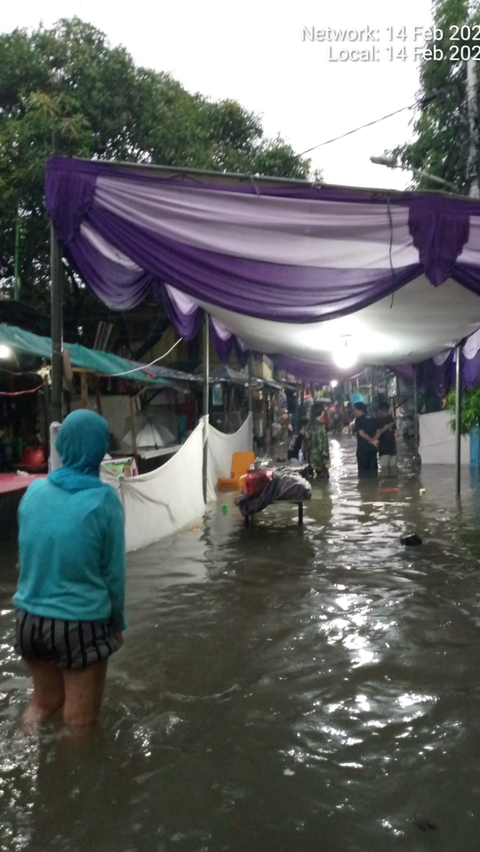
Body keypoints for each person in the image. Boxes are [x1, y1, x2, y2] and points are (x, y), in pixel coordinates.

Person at [13, 409, 126, 728]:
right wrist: (117, 622)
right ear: (99, 450)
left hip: (29, 620)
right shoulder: (104, 501)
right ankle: (76, 778)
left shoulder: (33, 491)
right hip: (81, 625)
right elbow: (114, 574)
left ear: (62, 445)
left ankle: (17, 754)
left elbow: (28, 554)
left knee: (42, 703)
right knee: (79, 720)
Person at [305, 402, 331, 478]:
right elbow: (323, 445)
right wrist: (327, 461)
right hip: (320, 459)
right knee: (324, 481)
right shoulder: (321, 428)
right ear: (322, 413)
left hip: (310, 459)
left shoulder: (308, 426)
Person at [353, 402, 379, 475]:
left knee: (363, 474)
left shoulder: (358, 420)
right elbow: (379, 431)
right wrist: (374, 440)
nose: (354, 412)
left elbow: (362, 433)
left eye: (355, 410)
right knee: (374, 472)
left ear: (360, 410)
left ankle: (365, 486)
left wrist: (370, 440)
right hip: (373, 449)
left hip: (362, 450)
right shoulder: (373, 418)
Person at [376, 402, 397, 474]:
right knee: (385, 469)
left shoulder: (390, 418)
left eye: (386, 410)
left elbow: (394, 428)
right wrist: (385, 429)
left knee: (393, 469)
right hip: (383, 449)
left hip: (392, 448)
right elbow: (377, 435)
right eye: (383, 410)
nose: (385, 412)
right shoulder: (377, 420)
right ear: (380, 410)